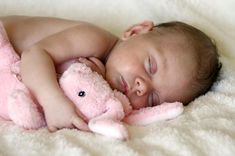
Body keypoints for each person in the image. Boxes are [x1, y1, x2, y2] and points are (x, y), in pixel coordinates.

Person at [0, 16, 221, 132]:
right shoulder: (94, 39)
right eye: (150, 66)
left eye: (153, 98)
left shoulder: (103, 90)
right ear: (134, 32)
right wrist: (52, 100)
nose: (141, 87)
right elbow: (34, 55)